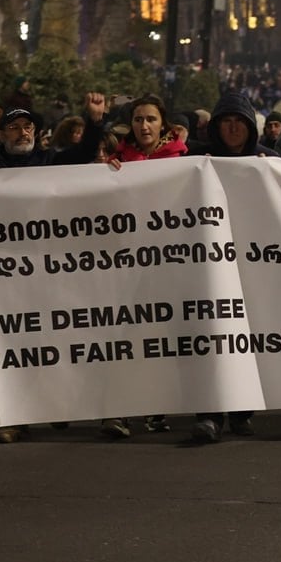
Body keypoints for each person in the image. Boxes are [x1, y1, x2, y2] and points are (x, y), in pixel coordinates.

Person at [0, 95, 107, 443]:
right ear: (1, 136)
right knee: (12, 349)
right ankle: (15, 417)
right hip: (5, 278)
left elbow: (82, 155)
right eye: (13, 128)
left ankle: (61, 409)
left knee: (58, 344)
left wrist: (93, 121)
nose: (22, 133)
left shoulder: (49, 162)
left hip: (51, 274)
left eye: (27, 127)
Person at [97, 94, 187, 439]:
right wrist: (105, 174)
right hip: (122, 268)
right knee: (121, 341)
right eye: (138, 120)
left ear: (163, 123)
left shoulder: (182, 159)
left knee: (159, 342)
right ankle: (117, 411)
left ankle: (155, 409)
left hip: (165, 268)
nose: (144, 125)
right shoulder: (118, 160)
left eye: (150, 119)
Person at [187, 91, 274, 442]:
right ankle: (209, 413)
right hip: (209, 263)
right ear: (217, 126)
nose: (234, 128)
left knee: (247, 337)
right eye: (227, 122)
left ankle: (241, 411)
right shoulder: (197, 162)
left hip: (250, 264)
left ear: (251, 127)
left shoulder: (268, 161)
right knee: (211, 335)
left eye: (240, 122)